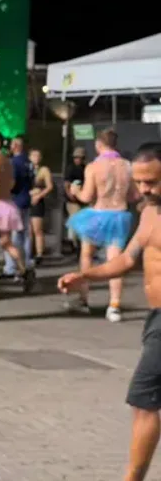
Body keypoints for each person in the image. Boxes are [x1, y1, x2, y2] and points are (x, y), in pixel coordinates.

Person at [58, 143, 161, 481]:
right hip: (155, 319)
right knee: (145, 402)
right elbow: (128, 260)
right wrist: (84, 275)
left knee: (144, 400)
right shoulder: (148, 213)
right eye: (141, 182)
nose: (144, 190)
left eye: (152, 182)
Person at [66, 128, 137, 322]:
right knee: (115, 261)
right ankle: (114, 306)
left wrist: (75, 191)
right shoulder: (127, 165)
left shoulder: (93, 167)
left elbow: (87, 196)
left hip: (97, 215)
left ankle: (83, 299)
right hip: (119, 215)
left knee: (87, 255)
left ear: (99, 145)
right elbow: (133, 195)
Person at [0, 132, 35, 291]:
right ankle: (24, 270)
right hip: (8, 203)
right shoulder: (8, 160)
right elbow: (12, 182)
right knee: (6, 242)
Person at [2, 133, 35, 278]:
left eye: (11, 144)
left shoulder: (14, 162)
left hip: (15, 201)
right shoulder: (28, 161)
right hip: (26, 199)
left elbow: (12, 182)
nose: (10, 147)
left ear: (16, 146)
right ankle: (26, 263)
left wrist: (4, 191)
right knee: (24, 235)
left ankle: (13, 267)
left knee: (13, 236)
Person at [28, 148, 53, 264]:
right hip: (27, 200)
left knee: (37, 229)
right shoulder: (26, 169)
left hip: (38, 201)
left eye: (38, 156)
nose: (35, 158)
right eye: (33, 155)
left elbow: (49, 186)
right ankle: (29, 252)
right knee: (28, 229)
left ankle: (39, 254)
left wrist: (39, 196)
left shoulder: (44, 170)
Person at [64, 147, 87, 252]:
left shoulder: (85, 168)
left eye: (80, 158)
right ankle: (73, 242)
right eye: (76, 158)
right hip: (73, 200)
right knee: (74, 219)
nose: (78, 160)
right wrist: (70, 195)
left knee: (81, 221)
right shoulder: (71, 168)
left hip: (82, 199)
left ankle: (78, 242)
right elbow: (66, 183)